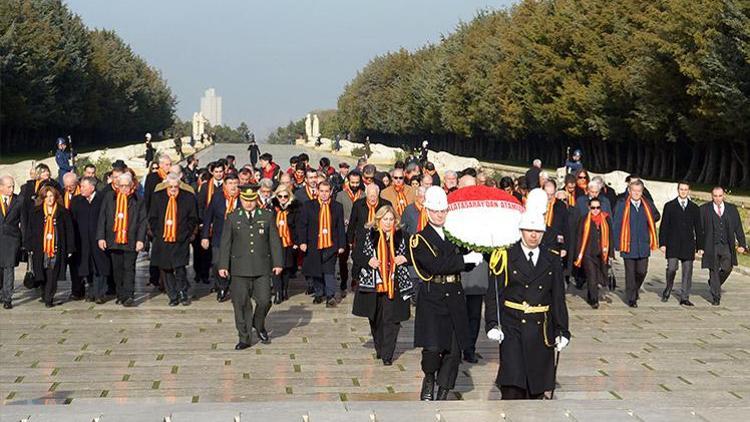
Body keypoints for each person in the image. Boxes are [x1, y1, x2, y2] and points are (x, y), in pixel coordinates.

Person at [484, 198, 570, 399]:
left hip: (541, 329)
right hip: (513, 325)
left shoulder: (552, 258)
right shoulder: (504, 255)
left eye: (538, 232)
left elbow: (558, 298)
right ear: (521, 231)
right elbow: (494, 294)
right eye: (529, 231)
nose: (533, 235)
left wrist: (562, 330)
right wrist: (492, 324)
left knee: (536, 388)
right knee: (513, 385)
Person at [409, 186, 483, 401]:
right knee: (432, 347)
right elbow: (436, 265)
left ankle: (444, 390)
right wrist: (464, 261)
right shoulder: (420, 239)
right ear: (428, 211)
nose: (440, 215)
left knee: (453, 349)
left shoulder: (455, 235)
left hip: (455, 293)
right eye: (436, 211)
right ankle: (429, 377)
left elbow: (464, 261)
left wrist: (475, 254)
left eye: (443, 211)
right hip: (433, 295)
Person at [218, 185, 283, 350]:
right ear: (241, 199)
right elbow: (225, 243)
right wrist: (223, 265)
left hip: (261, 267)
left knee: (264, 300)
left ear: (256, 199)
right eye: (245, 200)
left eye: (251, 200)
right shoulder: (233, 217)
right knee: (241, 304)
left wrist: (278, 263)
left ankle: (258, 323)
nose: (248, 203)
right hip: (239, 268)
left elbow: (274, 241)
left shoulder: (267, 216)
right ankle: (244, 337)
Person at [352, 205, 413, 366]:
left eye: (391, 219)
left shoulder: (403, 236)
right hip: (373, 284)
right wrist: (368, 260)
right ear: (378, 220)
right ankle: (380, 347)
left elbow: (415, 255)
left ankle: (387, 354)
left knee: (392, 319)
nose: (388, 222)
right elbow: (356, 254)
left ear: (396, 221)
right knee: (376, 318)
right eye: (385, 219)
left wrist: (405, 258)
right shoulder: (368, 235)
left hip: (396, 284)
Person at [97, 172, 146, 307]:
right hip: (114, 238)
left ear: (132, 186)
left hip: (131, 239)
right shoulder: (109, 197)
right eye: (121, 186)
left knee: (129, 268)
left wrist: (140, 240)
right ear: (117, 186)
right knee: (117, 269)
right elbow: (102, 218)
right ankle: (120, 294)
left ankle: (129, 295)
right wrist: (101, 237)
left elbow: (143, 221)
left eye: (126, 186)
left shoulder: (138, 199)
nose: (124, 189)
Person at [149, 173, 198, 306]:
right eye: (170, 187)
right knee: (166, 268)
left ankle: (182, 291)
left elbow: (193, 217)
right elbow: (152, 217)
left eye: (175, 187)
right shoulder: (158, 197)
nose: (173, 189)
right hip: (163, 238)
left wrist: (186, 232)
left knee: (180, 266)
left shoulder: (188, 197)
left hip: (180, 238)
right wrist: (158, 233)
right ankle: (172, 295)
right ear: (166, 185)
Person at [298, 181, 346, 307]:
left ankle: (330, 296)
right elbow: (302, 226)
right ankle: (319, 293)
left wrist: (342, 245)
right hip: (314, 243)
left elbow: (340, 226)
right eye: (322, 191)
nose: (324, 194)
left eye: (327, 191)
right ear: (317, 191)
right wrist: (302, 242)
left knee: (329, 271)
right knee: (316, 270)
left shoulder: (337, 206)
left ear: (330, 192)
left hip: (331, 244)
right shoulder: (308, 206)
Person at [26, 185, 75, 307]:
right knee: (42, 272)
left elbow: (69, 231)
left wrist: (70, 248)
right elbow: (30, 230)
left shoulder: (63, 212)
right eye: (47, 196)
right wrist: (29, 246)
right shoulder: (36, 212)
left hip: (56, 247)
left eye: (52, 196)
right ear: (42, 198)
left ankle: (49, 297)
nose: (49, 199)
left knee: (52, 273)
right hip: (40, 248)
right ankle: (44, 292)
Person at [613, 180, 660, 308]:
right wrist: (616, 243)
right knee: (630, 273)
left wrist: (650, 219)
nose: (636, 193)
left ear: (642, 191)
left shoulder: (647, 204)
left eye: (639, 191)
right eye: (634, 190)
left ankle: (635, 288)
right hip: (627, 243)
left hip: (643, 243)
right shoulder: (622, 204)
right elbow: (616, 223)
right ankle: (631, 298)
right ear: (629, 191)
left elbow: (656, 215)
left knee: (642, 271)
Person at [699, 186, 747, 306]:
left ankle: (714, 283)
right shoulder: (704, 209)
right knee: (713, 269)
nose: (718, 199)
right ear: (712, 196)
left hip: (726, 244)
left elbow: (738, 228)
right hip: (711, 245)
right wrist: (699, 246)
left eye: (720, 196)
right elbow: (699, 230)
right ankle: (716, 297)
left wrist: (742, 244)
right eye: (715, 196)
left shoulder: (731, 209)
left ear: (723, 196)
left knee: (727, 267)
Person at [658, 182, 702, 305]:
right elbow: (664, 226)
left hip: (688, 244)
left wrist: (700, 246)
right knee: (672, 268)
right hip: (673, 243)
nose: (683, 191)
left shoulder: (694, 208)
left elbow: (698, 228)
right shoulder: (670, 206)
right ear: (678, 190)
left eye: (685, 189)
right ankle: (668, 287)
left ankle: (684, 297)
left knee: (687, 271)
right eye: (681, 189)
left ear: (689, 191)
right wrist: (662, 243)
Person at [70, 176, 110, 303]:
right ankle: (91, 292)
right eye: (80, 186)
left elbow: (106, 219)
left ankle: (100, 294)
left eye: (83, 187)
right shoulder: (77, 201)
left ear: (92, 188)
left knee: (100, 266)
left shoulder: (102, 199)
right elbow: (73, 221)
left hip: (98, 239)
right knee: (87, 267)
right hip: (83, 241)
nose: (80, 189)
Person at [201, 174, 240, 302]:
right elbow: (208, 217)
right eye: (230, 183)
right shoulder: (217, 197)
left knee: (235, 264)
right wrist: (205, 236)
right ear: (225, 185)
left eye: (235, 183)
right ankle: (221, 286)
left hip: (238, 238)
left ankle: (234, 288)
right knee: (217, 262)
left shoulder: (243, 198)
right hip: (220, 236)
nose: (233, 186)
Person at [572, 198, 613, 308]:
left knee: (601, 276)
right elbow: (579, 237)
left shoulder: (606, 218)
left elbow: (610, 237)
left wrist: (611, 254)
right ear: (589, 208)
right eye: (593, 207)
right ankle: (594, 300)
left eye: (598, 207)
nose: (595, 210)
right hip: (588, 253)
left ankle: (591, 295)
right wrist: (578, 254)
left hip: (602, 252)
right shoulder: (584, 219)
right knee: (592, 276)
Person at [271, 184, 300, 304]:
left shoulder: (294, 209)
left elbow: (298, 227)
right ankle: (277, 292)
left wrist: (297, 242)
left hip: (289, 242)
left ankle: (284, 290)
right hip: (275, 242)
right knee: (276, 268)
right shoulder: (272, 209)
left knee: (287, 268)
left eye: (285, 196)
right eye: (280, 196)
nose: (282, 198)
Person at [335, 171, 362, 294]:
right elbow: (336, 213)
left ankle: (355, 280)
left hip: (358, 232)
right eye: (353, 182)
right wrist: (343, 220)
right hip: (344, 231)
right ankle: (344, 279)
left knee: (357, 258)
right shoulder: (341, 195)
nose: (355, 185)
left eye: (357, 182)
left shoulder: (364, 195)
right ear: (348, 182)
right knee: (343, 258)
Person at [0, 175, 23, 309]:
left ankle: (8, 297)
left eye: (13, 186)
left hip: (11, 238)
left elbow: (23, 221)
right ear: (1, 187)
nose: (12, 189)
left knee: (9, 267)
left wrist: (24, 241)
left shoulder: (18, 200)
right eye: (9, 186)